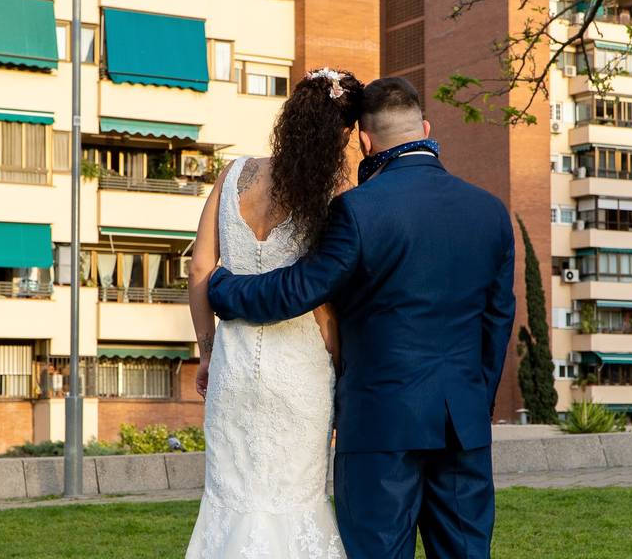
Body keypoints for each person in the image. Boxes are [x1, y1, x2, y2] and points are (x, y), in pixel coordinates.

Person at [207, 77, 516, 559]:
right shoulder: (491, 211)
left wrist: (222, 288)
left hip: (379, 425)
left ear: (365, 141)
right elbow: (498, 323)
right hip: (463, 424)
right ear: (426, 127)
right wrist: (477, 404)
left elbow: (299, 289)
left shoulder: (359, 209)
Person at [185, 68, 364, 558]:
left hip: (234, 368)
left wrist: (206, 352)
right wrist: (339, 361)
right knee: (296, 498)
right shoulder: (332, 195)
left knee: (231, 497)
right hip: (300, 372)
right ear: (344, 133)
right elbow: (325, 299)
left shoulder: (234, 173)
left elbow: (201, 266)